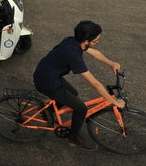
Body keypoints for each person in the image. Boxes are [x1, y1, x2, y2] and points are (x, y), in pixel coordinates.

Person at [33, 21, 125, 151]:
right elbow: (94, 83)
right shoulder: (73, 55)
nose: (96, 43)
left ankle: (47, 111)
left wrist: (111, 63)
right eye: (95, 41)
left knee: (73, 94)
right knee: (81, 108)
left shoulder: (73, 41)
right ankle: (73, 138)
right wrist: (114, 101)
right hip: (47, 81)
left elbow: (93, 52)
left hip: (47, 73)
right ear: (86, 41)